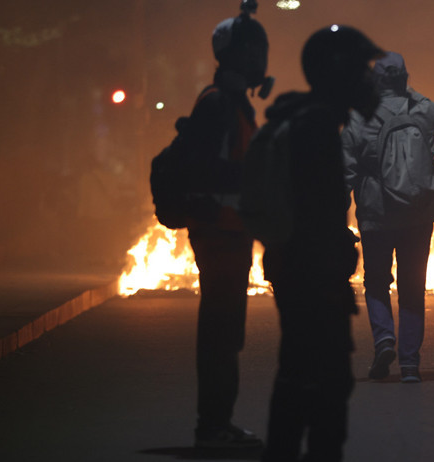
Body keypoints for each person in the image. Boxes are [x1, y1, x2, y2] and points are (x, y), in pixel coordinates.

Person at [256, 25, 383, 462]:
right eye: (361, 70)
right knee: (323, 387)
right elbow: (316, 213)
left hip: (300, 271)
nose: (368, 79)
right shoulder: (315, 130)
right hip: (312, 279)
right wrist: (331, 274)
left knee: (297, 376)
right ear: (337, 73)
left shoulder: (309, 120)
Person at [184, 2, 272, 449]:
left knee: (227, 333)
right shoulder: (218, 104)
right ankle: (212, 426)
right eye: (251, 51)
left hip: (232, 232)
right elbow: (206, 169)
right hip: (219, 232)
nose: (259, 59)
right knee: (220, 333)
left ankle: (220, 421)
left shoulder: (234, 103)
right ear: (232, 55)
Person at [341, 51, 434, 383]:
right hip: (418, 214)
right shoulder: (422, 110)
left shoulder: (359, 118)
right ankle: (409, 364)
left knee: (376, 281)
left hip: (376, 213)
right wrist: (410, 93)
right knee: (412, 287)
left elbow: (345, 171)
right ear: (404, 78)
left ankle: (384, 339)